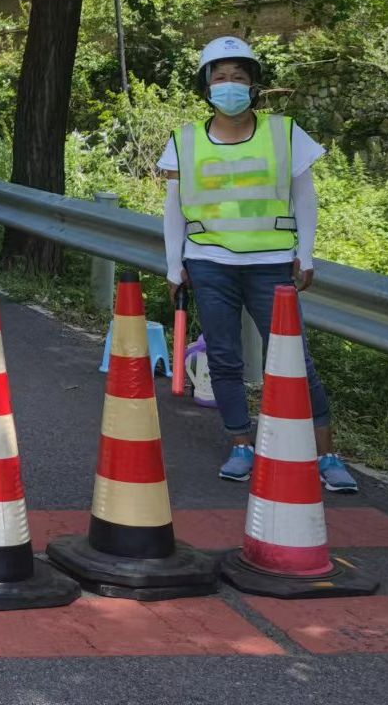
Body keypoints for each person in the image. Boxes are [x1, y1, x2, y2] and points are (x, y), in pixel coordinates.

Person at [160, 35, 359, 492]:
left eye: (238, 77)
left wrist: (305, 253)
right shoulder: (184, 140)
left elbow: (305, 197)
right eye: (220, 77)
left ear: (253, 85)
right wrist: (174, 266)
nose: (229, 85)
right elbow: (173, 209)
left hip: (272, 264)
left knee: (294, 359)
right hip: (209, 262)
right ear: (206, 86)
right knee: (224, 358)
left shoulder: (284, 133)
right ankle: (240, 444)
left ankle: (325, 454)